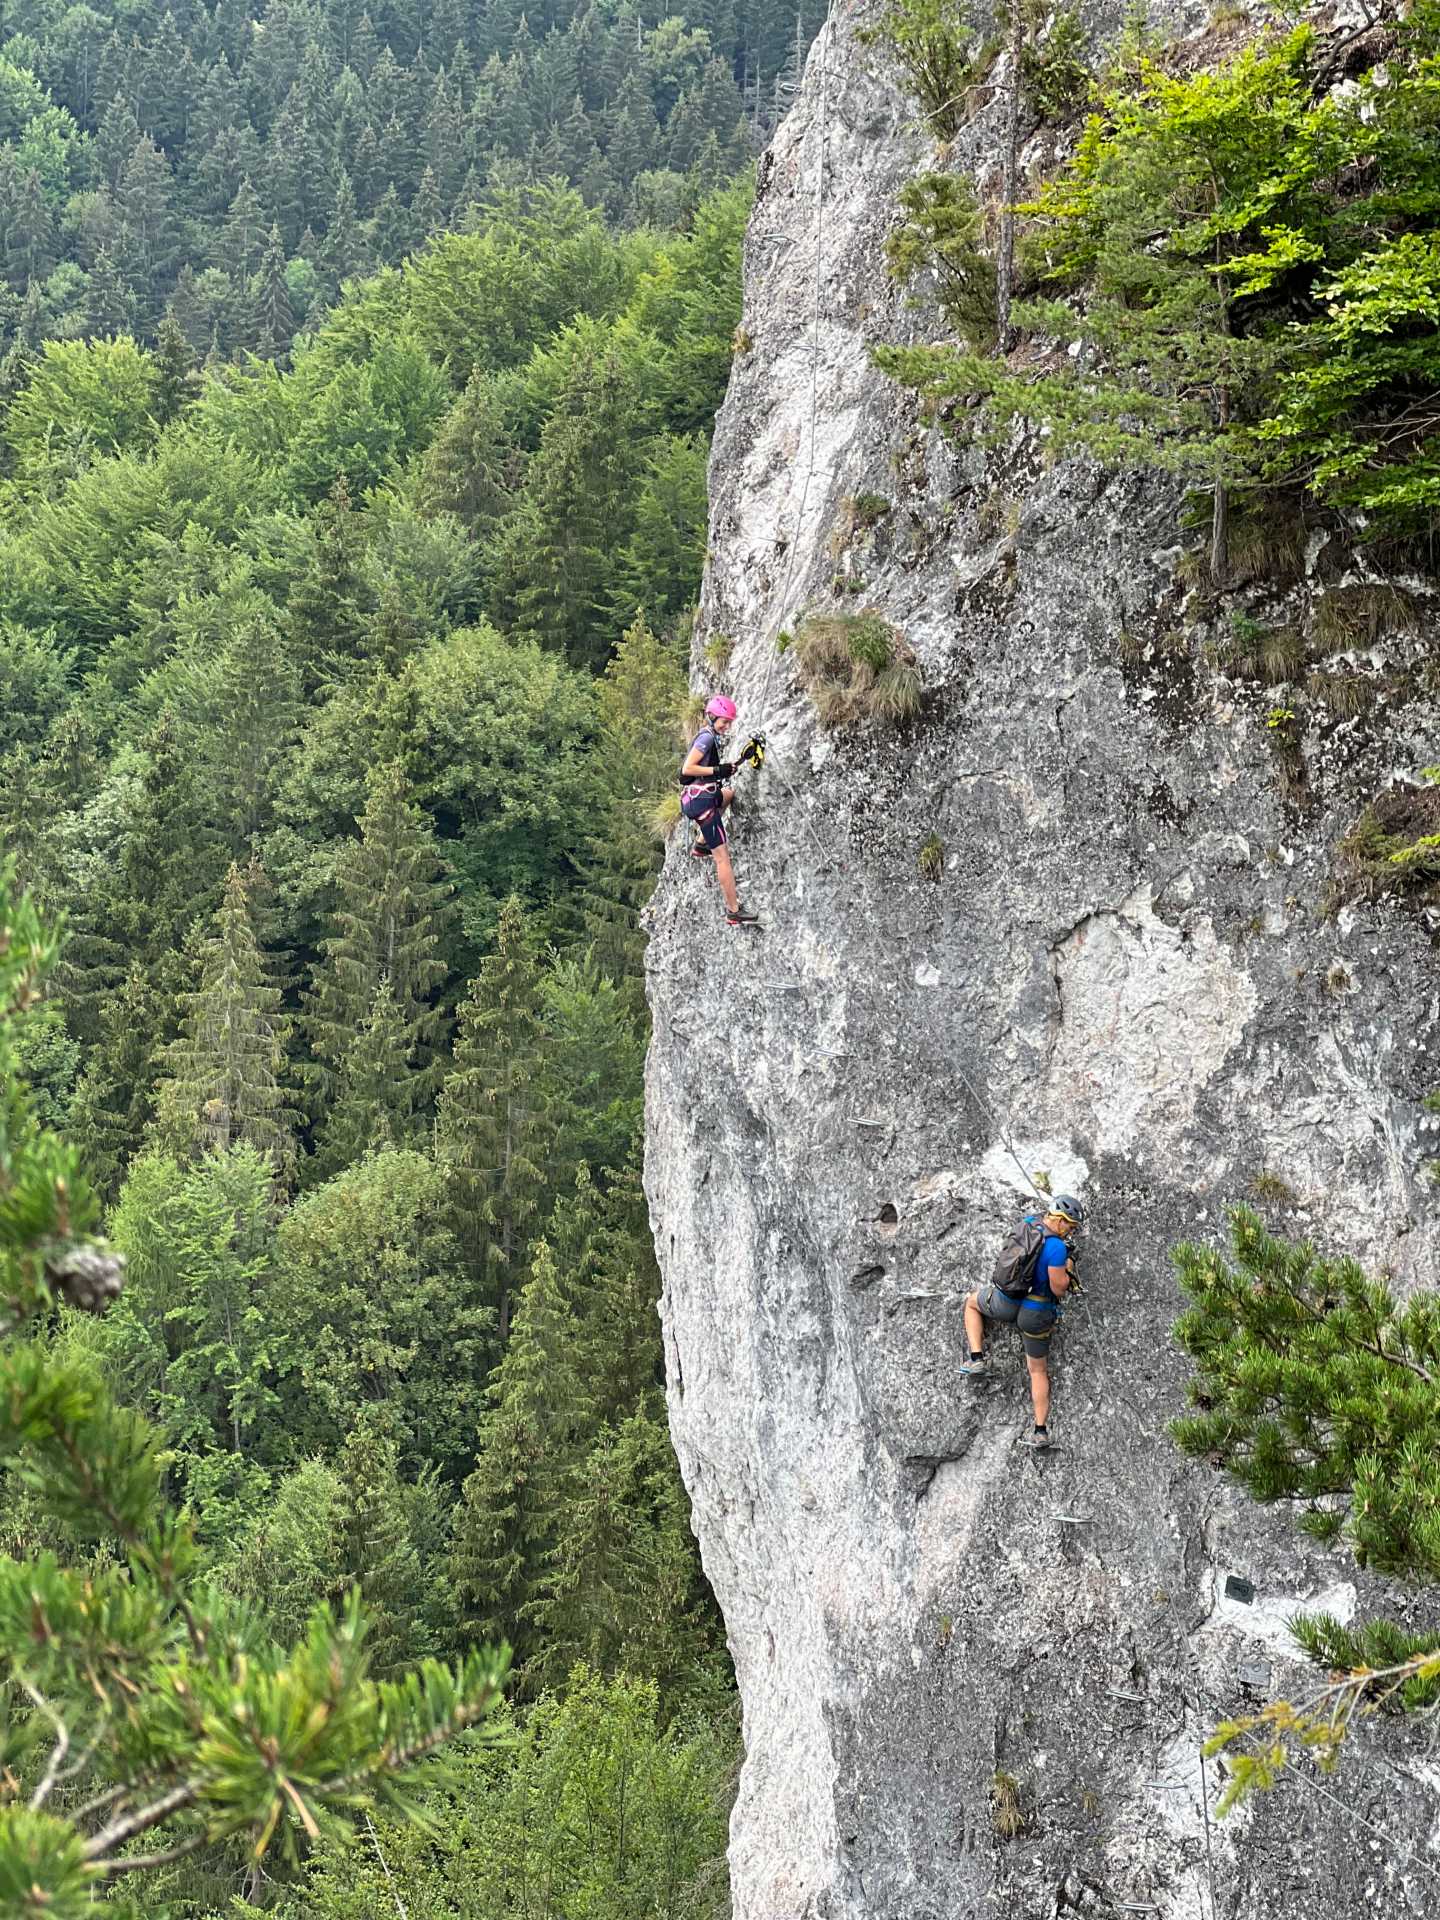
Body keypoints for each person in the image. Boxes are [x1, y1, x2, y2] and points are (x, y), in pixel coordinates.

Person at [957, 1196, 1085, 1449]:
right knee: (1037, 1370)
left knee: (972, 1303)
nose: (1071, 1232)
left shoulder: (1027, 1224)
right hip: (1035, 1311)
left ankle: (976, 1358)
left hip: (1008, 1300)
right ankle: (1040, 1431)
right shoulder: (1057, 1248)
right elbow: (1058, 1288)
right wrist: (1070, 1263)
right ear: (1060, 1220)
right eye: (1070, 1226)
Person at [680, 696, 759, 928]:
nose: (727, 726)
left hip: (702, 795)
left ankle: (701, 843)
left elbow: (697, 772)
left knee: (729, 794)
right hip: (701, 803)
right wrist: (717, 769)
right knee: (722, 858)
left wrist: (725, 770)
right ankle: (734, 912)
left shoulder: (709, 735)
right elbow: (688, 769)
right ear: (713, 717)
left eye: (729, 722)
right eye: (724, 721)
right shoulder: (705, 738)